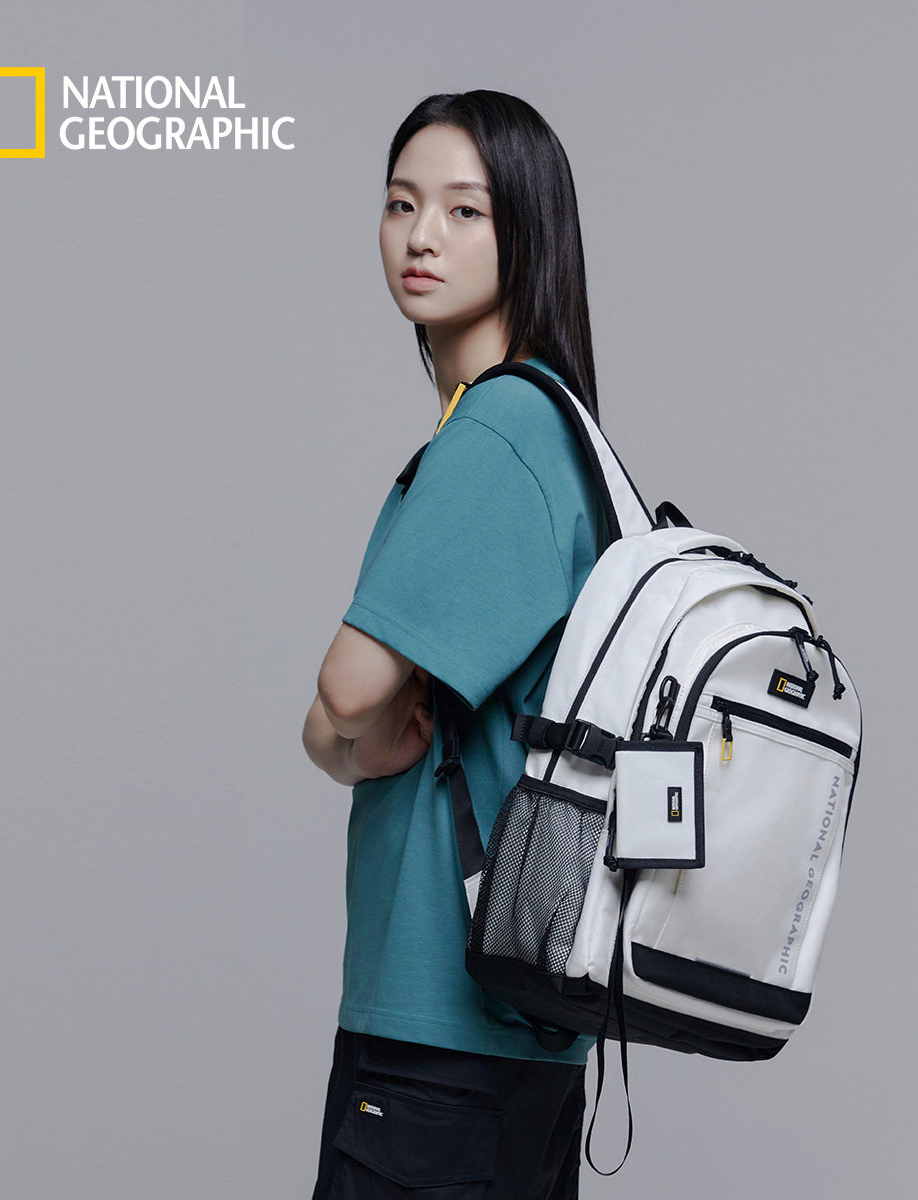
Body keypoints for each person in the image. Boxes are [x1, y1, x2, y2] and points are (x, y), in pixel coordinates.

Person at [302, 90, 607, 1199]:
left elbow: (344, 697)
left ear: (528, 230)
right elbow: (349, 721)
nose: (421, 235)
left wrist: (339, 737)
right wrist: (343, 735)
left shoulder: (502, 431)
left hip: (437, 1044)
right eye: (401, 203)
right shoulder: (551, 427)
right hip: (511, 1050)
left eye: (464, 210)